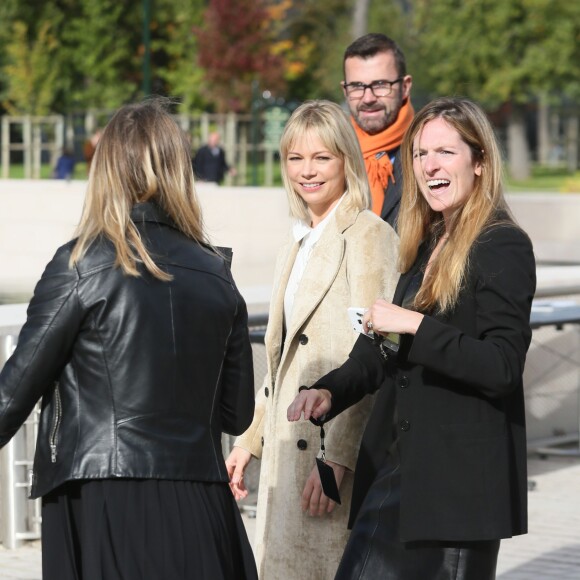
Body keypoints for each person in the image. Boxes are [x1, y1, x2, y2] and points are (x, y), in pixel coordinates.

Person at [0, 99, 258, 580]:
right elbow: (235, 413)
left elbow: (11, 395)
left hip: (103, 498)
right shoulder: (218, 275)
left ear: (108, 169)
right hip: (202, 500)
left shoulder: (82, 264)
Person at [288, 97, 536, 579]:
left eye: (445, 152)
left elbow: (502, 365)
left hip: (457, 492)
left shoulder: (502, 242)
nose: (429, 166)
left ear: (480, 161)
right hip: (396, 472)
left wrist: (416, 326)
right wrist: (329, 391)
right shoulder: (425, 241)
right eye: (420, 154)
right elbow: (383, 347)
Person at [226, 100, 400, 579]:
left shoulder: (369, 235)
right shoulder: (297, 240)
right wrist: (249, 442)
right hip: (286, 446)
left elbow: (376, 349)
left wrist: (339, 458)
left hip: (325, 453)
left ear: (346, 159)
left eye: (321, 157)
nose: (307, 171)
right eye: (295, 158)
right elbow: (279, 362)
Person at [342, 33, 414, 229]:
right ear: (345, 91)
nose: (368, 98)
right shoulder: (333, 154)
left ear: (405, 87)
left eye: (380, 85)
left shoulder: (430, 153)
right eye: (357, 86)